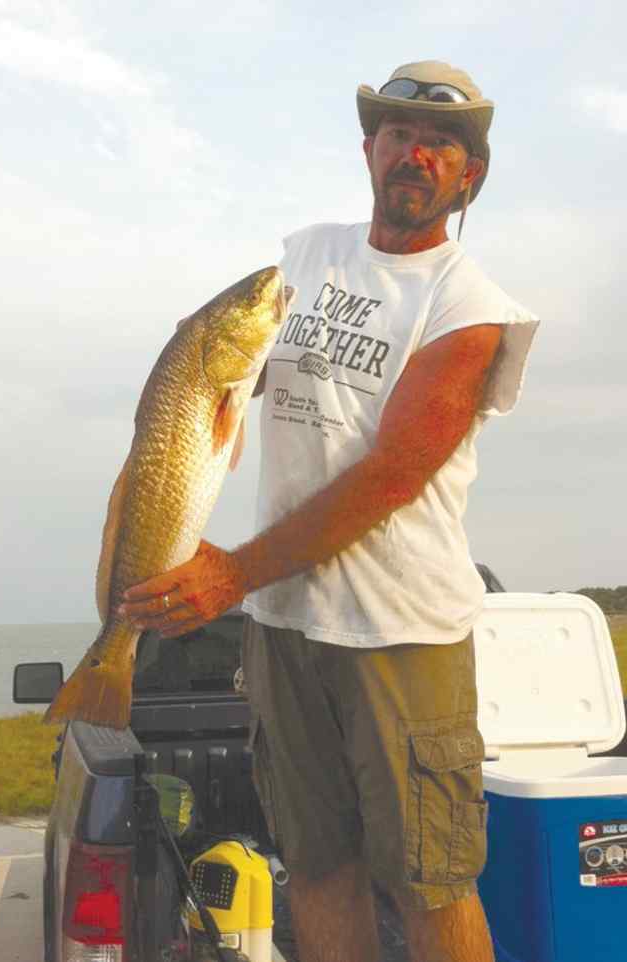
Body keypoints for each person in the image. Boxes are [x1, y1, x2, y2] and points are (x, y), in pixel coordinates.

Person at [120, 60, 539, 962]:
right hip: (285, 623)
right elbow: (232, 372)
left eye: (442, 145)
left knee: (428, 884)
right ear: (368, 149)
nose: (416, 155)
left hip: (401, 632)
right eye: (398, 135)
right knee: (315, 867)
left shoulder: (472, 308)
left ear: (470, 175)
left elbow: (389, 476)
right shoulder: (305, 254)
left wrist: (230, 572)